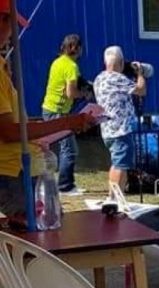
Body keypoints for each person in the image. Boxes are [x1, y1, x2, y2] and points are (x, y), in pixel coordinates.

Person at [0, 2, 93, 228]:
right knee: (39, 234)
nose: (12, 33)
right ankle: (67, 183)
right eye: (11, 24)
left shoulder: (55, 62)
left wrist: (35, 135)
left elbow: (14, 123)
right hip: (12, 172)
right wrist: (67, 122)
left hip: (22, 168)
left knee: (46, 226)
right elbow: (10, 132)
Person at [93, 45, 146, 200]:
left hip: (107, 129)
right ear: (121, 62)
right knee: (121, 165)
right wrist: (140, 74)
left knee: (116, 163)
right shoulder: (117, 78)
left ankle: (113, 197)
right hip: (120, 129)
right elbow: (141, 90)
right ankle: (115, 198)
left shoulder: (99, 78)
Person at [41, 33, 88, 196]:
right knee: (70, 149)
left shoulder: (57, 62)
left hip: (49, 108)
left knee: (56, 148)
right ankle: (65, 186)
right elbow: (70, 93)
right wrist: (84, 94)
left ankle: (58, 183)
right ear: (78, 49)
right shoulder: (71, 66)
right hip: (59, 112)